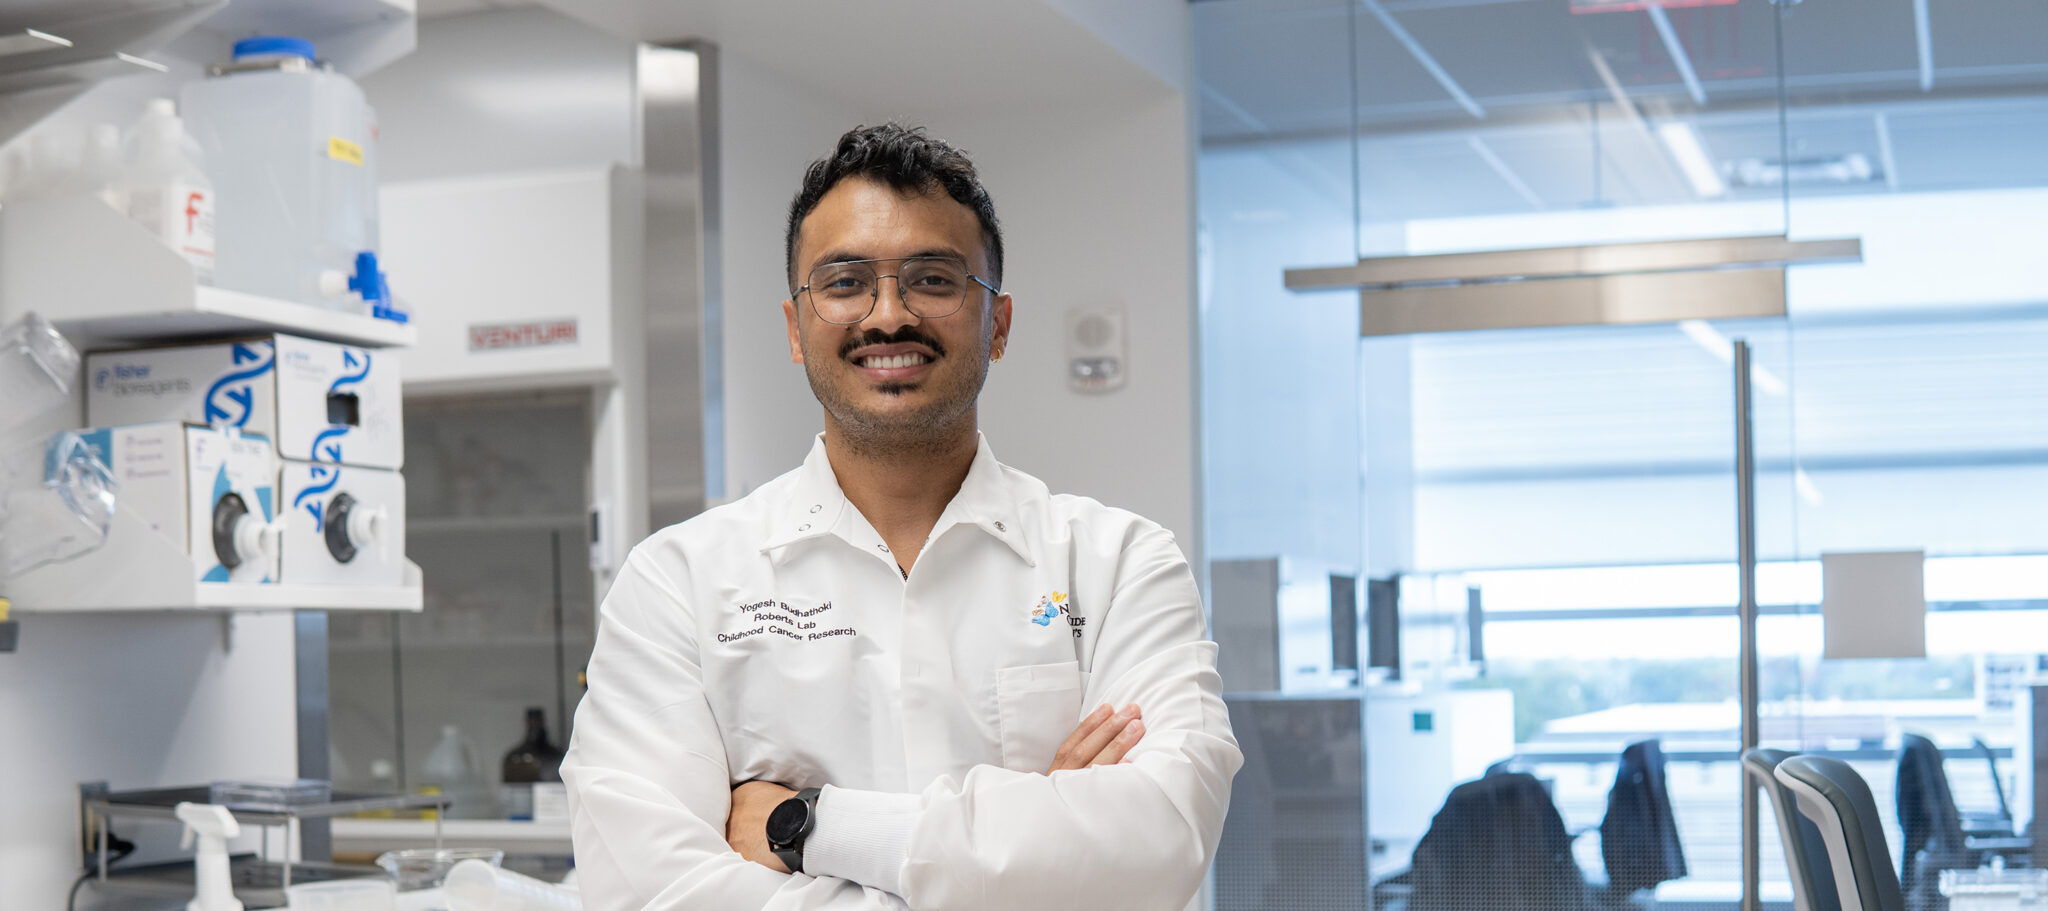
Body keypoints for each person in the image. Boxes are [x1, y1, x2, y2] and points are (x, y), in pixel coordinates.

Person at [561, 123, 1241, 911]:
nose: (888, 315)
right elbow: (651, 891)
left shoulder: (1119, 563)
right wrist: (1032, 848)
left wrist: (804, 825)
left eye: (934, 279)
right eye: (845, 282)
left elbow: (1156, 842)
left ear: (1000, 323)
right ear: (794, 327)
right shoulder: (678, 583)